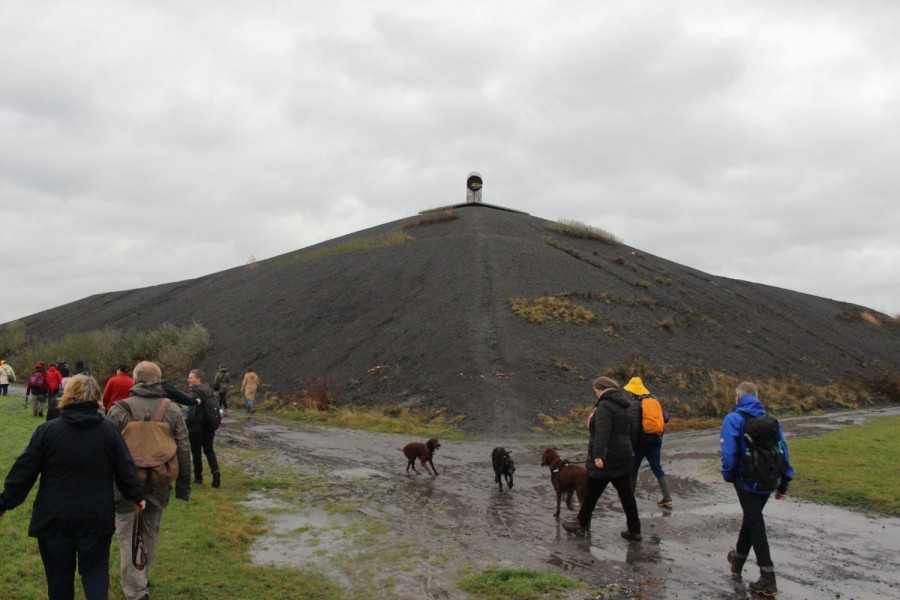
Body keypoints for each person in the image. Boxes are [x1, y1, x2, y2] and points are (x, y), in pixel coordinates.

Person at [0, 374, 146, 600]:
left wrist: (5, 502)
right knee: (95, 572)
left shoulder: (48, 431)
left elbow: (24, 472)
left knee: (59, 578)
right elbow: (125, 469)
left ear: (67, 396)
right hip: (95, 516)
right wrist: (137, 495)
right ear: (96, 399)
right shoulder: (109, 432)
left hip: (54, 517)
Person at [106, 361, 191, 600]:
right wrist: (183, 486)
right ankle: (141, 579)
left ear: (135, 380)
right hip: (159, 481)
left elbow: (106, 450)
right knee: (151, 530)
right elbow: (183, 449)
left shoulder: (119, 409)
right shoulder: (171, 409)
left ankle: (135, 590)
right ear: (158, 380)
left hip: (125, 483)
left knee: (127, 534)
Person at [721, 381, 794, 597]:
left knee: (755, 521)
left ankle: (767, 577)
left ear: (738, 397)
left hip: (746, 480)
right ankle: (737, 561)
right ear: (757, 397)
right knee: (752, 517)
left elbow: (729, 454)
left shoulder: (733, 419)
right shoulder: (772, 420)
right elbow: (783, 451)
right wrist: (784, 482)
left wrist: (729, 476)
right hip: (768, 480)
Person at [563, 376, 641, 540]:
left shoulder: (605, 405)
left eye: (596, 391)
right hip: (623, 456)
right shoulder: (625, 404)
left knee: (591, 494)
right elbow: (632, 429)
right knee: (627, 496)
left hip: (606, 459)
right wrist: (631, 449)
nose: (596, 394)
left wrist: (598, 455)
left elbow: (602, 432)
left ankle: (581, 525)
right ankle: (634, 530)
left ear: (602, 389)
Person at [165, 369, 221, 488]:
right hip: (209, 426)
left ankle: (198, 478)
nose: (188, 380)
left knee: (196, 452)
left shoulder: (195, 393)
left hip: (196, 427)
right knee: (209, 450)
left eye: (191, 377)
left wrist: (185, 425)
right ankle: (215, 471)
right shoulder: (208, 390)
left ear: (198, 379)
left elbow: (191, 413)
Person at [625, 377, 673, 507]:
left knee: (633, 469)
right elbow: (664, 418)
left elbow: (634, 428)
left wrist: (631, 447)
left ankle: (629, 499)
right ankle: (667, 497)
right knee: (657, 467)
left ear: (633, 391)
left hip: (641, 443)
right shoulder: (654, 399)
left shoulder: (635, 404)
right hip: (656, 440)